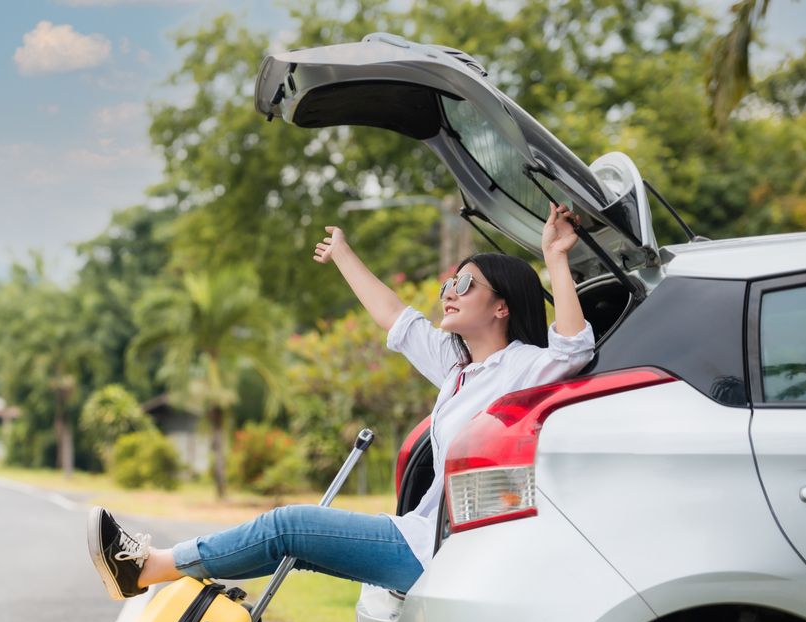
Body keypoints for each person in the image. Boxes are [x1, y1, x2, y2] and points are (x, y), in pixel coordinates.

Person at [87, 202, 596, 601]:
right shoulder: (459, 369)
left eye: (465, 284)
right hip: (419, 532)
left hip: (438, 549)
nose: (449, 291)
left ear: (502, 305)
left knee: (288, 526)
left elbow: (574, 347)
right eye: (448, 283)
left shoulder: (524, 366)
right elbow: (396, 317)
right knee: (293, 536)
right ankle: (155, 568)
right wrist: (344, 254)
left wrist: (554, 257)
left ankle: (149, 567)